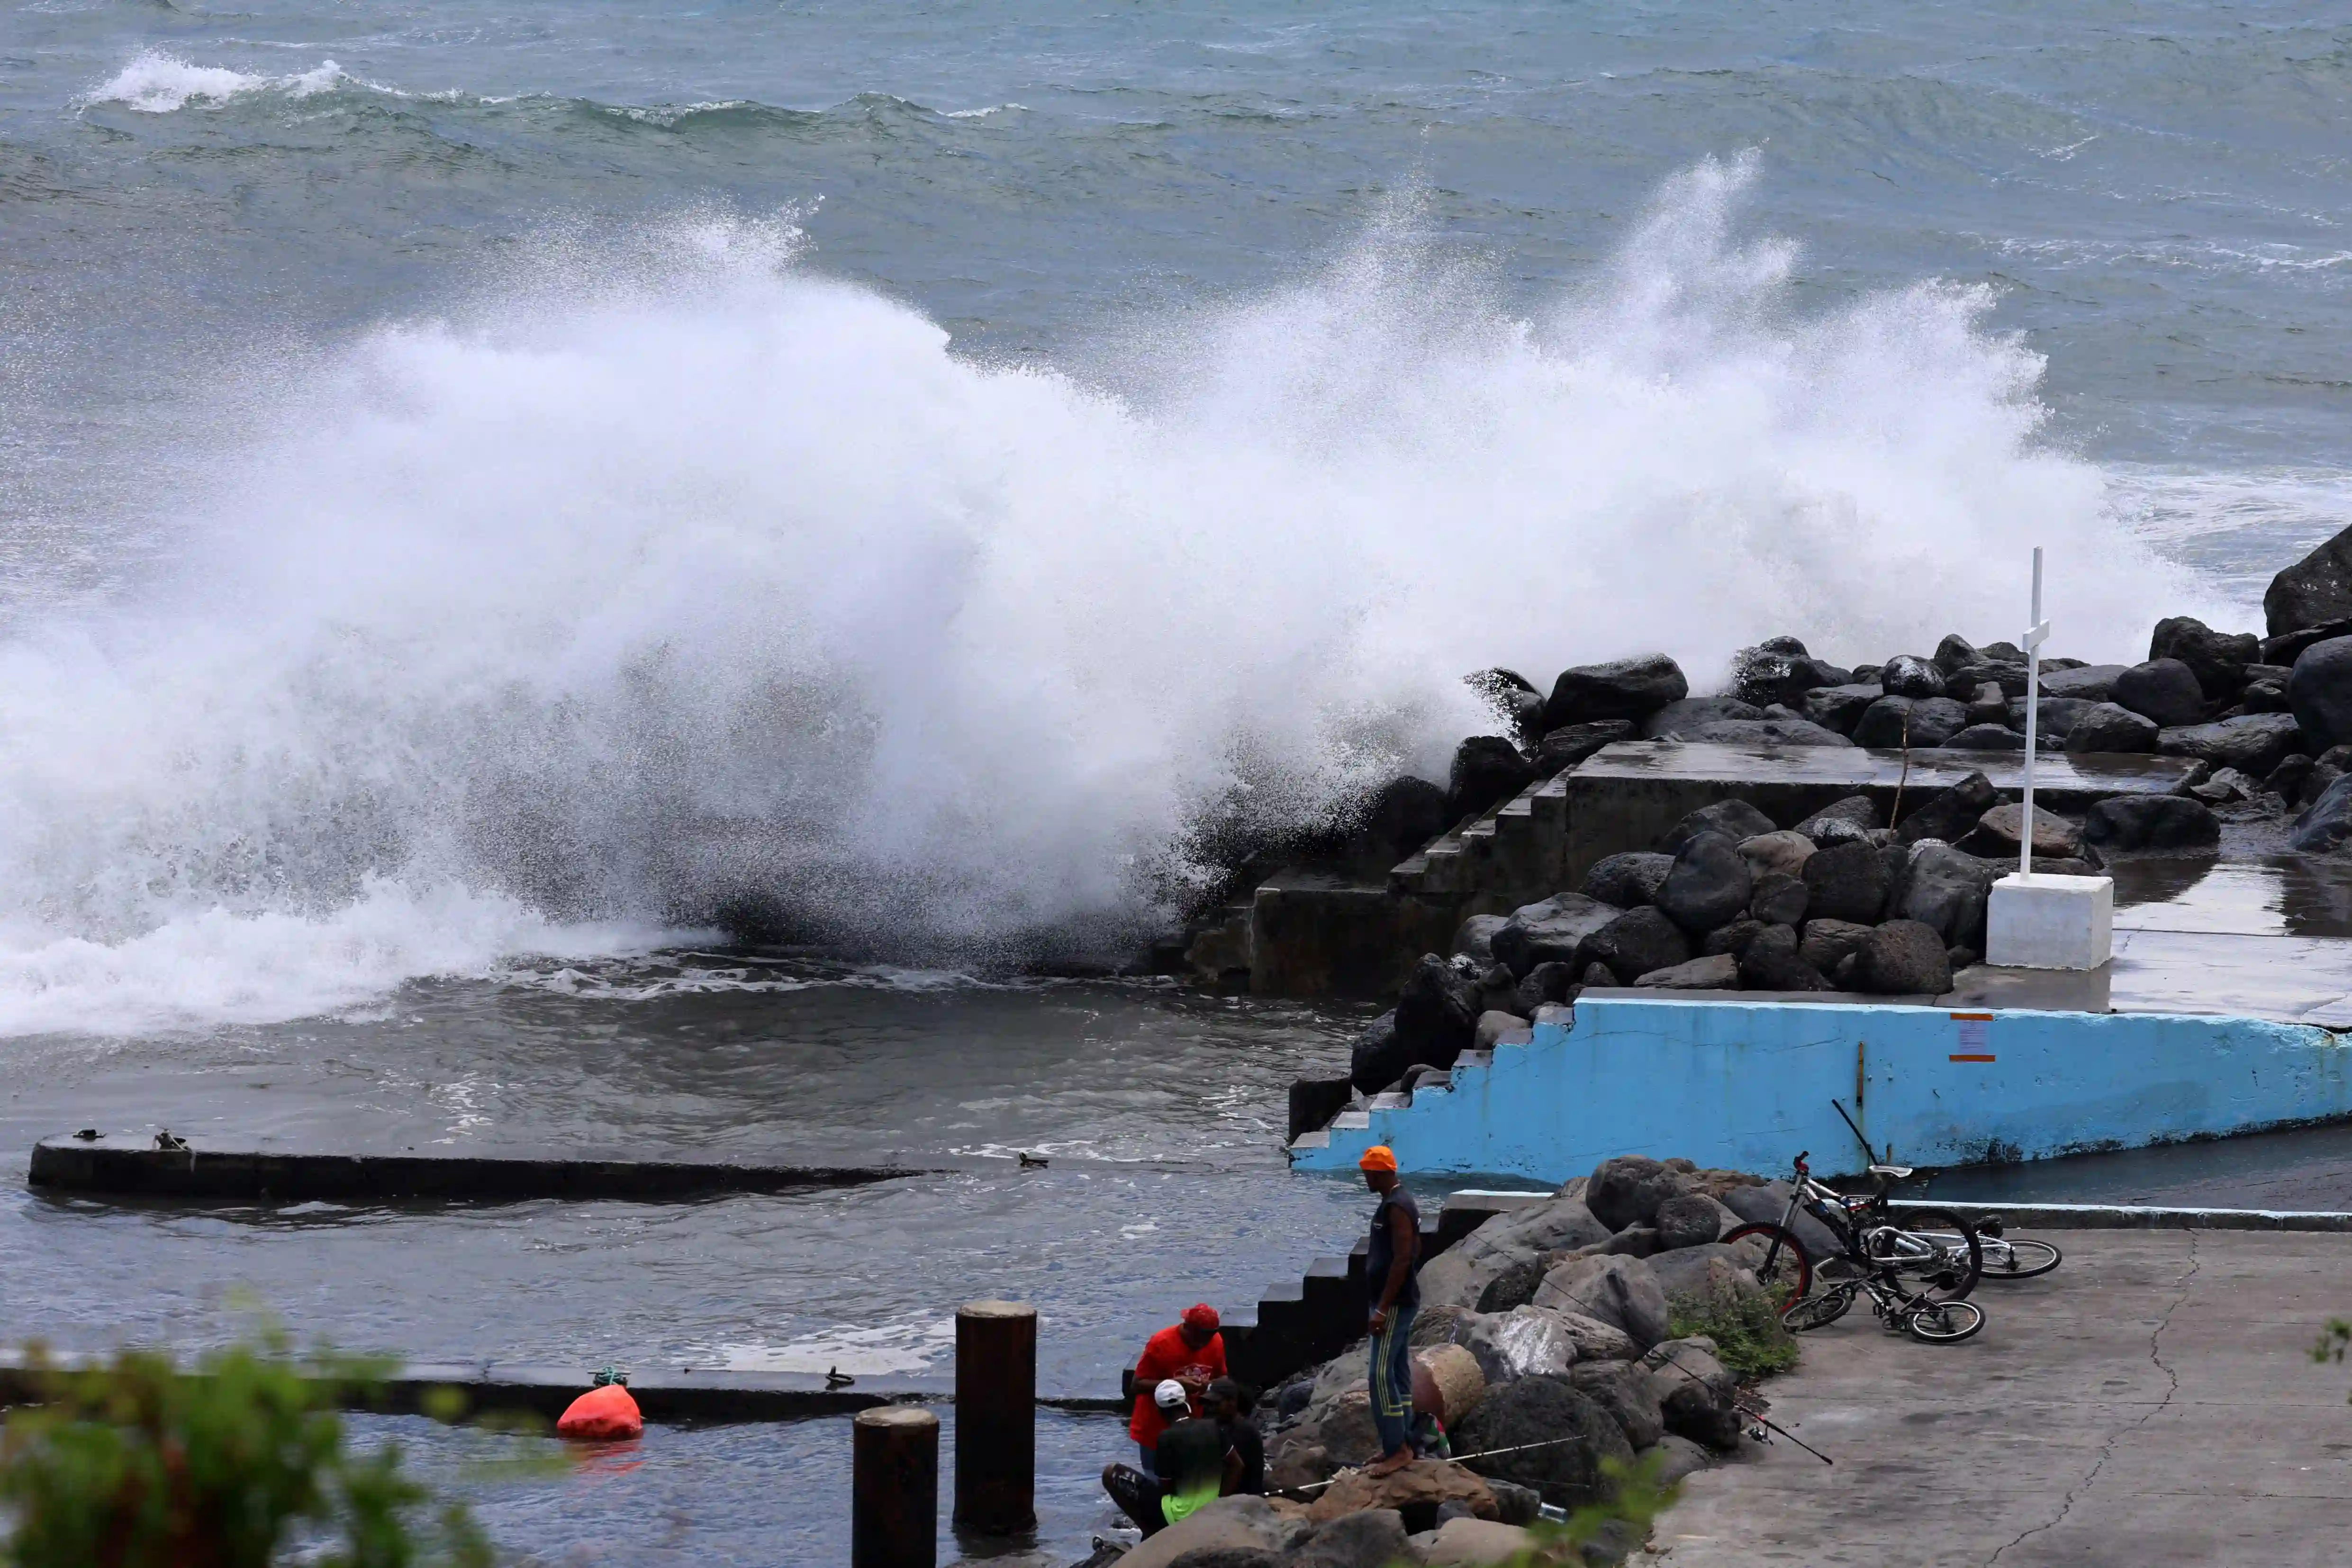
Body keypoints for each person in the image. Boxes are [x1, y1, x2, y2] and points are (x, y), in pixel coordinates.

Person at [1100, 1380, 1239, 1537]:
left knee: (1111, 1473)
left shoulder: (1166, 1438)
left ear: (1160, 1411)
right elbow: (1237, 1465)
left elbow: (1166, 1489)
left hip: (1179, 1515)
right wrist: (1220, 1501)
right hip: (1213, 1507)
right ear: (1186, 1403)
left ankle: (1151, 1533)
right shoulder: (1213, 1427)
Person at [1359, 1143, 1420, 1477]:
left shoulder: (1397, 1206)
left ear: (1380, 1173)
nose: (1365, 1178)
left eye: (1368, 1173)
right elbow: (1415, 1248)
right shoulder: (1397, 1202)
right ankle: (1403, 1441)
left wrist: (1382, 1308)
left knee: (1379, 1375)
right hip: (1395, 1299)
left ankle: (1397, 1448)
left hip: (1394, 1303)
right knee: (1398, 1372)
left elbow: (1403, 1258)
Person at [1125, 1302, 1226, 1473]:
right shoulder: (1161, 1343)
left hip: (1193, 1426)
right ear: (1186, 1327)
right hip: (1155, 1429)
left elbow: (1222, 1377)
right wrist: (1177, 1384)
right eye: (1199, 1337)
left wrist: (1209, 1385)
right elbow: (1136, 1385)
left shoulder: (1215, 1342)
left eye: (1209, 1337)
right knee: (1157, 1480)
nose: (1203, 1343)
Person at [1205, 1376, 1263, 1495]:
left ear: (1232, 1402)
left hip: (1241, 1499)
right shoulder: (1217, 1427)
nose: (1211, 1408)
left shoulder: (1246, 1431)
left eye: (1216, 1404)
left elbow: (1237, 1471)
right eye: (1209, 1404)